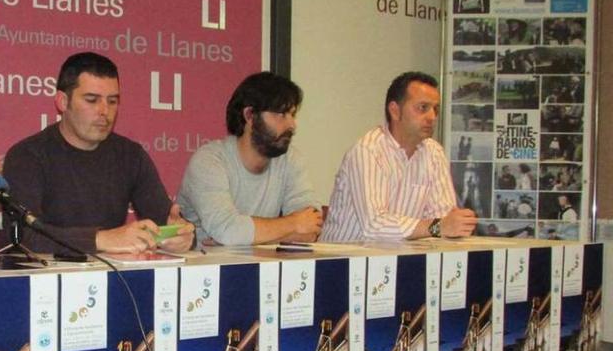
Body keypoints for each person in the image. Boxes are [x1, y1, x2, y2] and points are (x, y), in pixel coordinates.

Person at [3, 52, 194, 254]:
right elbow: (22, 237)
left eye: (112, 101)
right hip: (47, 280)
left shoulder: (130, 155)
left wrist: (180, 235)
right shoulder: (27, 156)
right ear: (62, 102)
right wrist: (100, 240)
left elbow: (167, 221)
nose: (105, 111)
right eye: (92, 100)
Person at [321, 72, 476, 242]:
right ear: (395, 111)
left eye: (435, 109)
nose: (432, 117)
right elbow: (375, 226)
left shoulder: (434, 153)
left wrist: (450, 225)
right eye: (423, 108)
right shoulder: (368, 150)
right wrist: (438, 227)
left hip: (399, 260)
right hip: (342, 261)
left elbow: (442, 219)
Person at [176, 72, 323, 246]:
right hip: (206, 270)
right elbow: (229, 232)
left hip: (261, 267)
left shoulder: (291, 159)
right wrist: (294, 224)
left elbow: (312, 227)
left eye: (292, 115)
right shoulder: (209, 161)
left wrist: (244, 236)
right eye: (282, 114)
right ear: (250, 116)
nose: (292, 125)